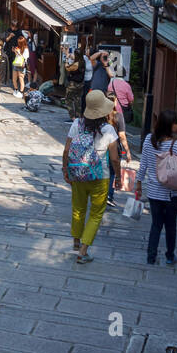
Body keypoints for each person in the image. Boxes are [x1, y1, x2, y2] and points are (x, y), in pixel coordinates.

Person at [62, 91, 121, 265]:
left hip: (78, 174)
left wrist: (65, 169)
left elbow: (66, 150)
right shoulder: (108, 129)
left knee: (78, 208)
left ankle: (76, 241)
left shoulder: (77, 124)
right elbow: (115, 158)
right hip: (100, 177)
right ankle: (83, 251)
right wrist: (118, 176)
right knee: (95, 215)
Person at [136, 109, 177, 266]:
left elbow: (143, 164)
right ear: (169, 126)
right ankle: (169, 255)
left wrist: (139, 183)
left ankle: (151, 256)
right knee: (171, 225)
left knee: (156, 224)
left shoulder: (149, 140)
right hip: (173, 193)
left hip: (154, 192)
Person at [64, 45, 86, 119]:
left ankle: (72, 117)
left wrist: (67, 58)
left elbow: (67, 68)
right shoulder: (83, 61)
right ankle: (78, 117)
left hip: (73, 84)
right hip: (81, 84)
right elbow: (74, 57)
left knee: (68, 99)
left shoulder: (76, 64)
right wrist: (68, 54)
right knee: (78, 99)